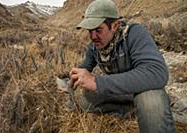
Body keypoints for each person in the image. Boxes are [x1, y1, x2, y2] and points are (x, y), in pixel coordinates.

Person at [69, 0, 175, 132]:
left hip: (143, 90)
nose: (93, 36)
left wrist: (98, 82)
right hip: (122, 93)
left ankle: (152, 111)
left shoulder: (134, 34)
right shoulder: (95, 46)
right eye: (89, 31)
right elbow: (85, 67)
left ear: (114, 26)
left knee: (150, 102)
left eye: (98, 30)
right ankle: (135, 111)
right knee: (87, 100)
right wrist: (75, 75)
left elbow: (157, 72)